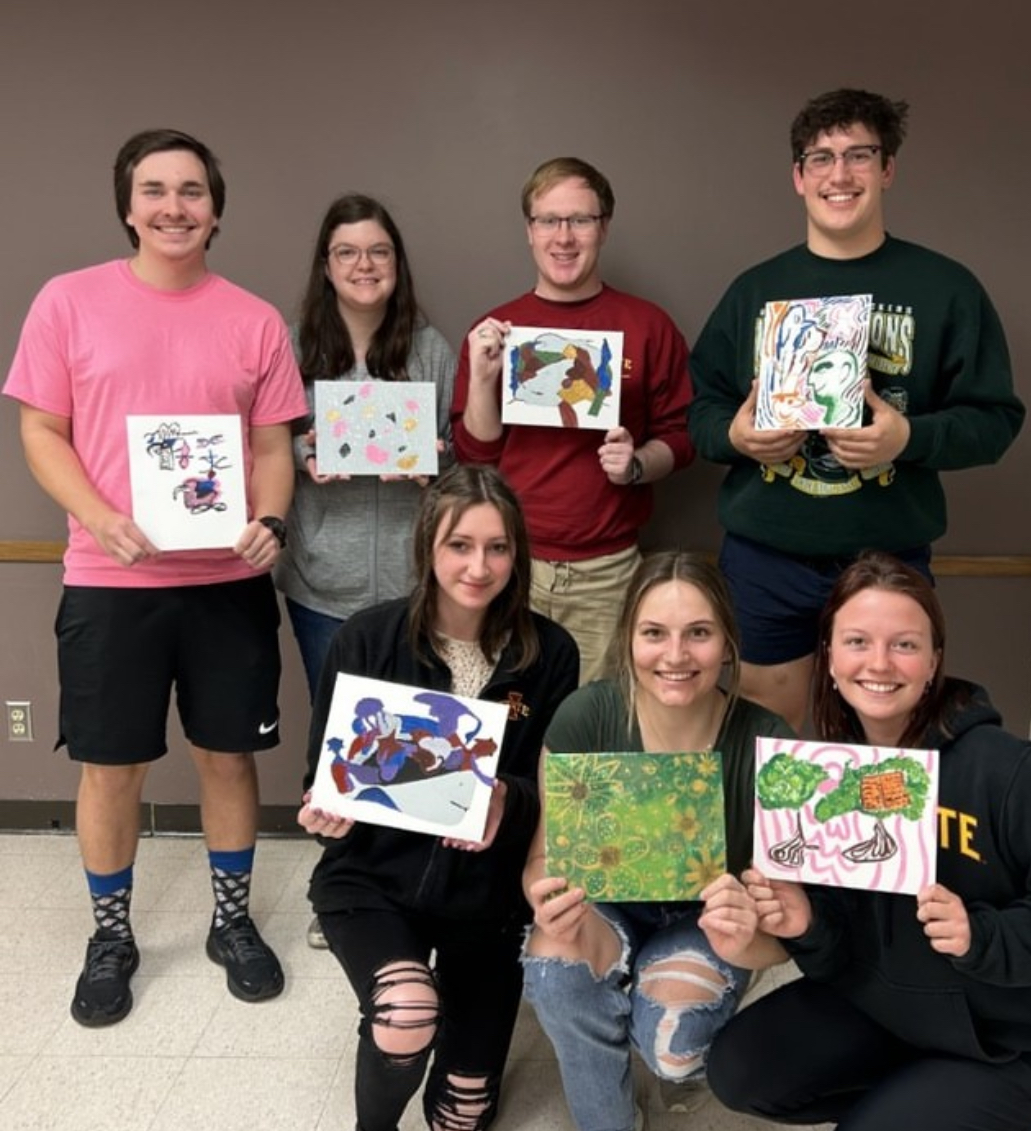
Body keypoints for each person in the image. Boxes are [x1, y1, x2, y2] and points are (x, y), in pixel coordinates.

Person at [2, 129, 307, 1026]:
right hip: (108, 581)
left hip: (227, 584)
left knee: (228, 755)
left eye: (191, 190)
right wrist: (98, 515)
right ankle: (112, 935)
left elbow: (270, 446)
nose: (174, 206)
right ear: (127, 205)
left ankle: (230, 922)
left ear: (216, 207)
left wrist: (272, 522)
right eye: (154, 189)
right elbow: (40, 432)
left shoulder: (253, 317)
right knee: (111, 768)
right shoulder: (67, 301)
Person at [707, 552, 1031, 1131]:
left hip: (1006, 1046)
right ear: (828, 659)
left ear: (934, 661)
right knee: (739, 1068)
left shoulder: (1007, 771)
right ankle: (914, 1102)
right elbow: (837, 958)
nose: (879, 663)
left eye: (904, 645)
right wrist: (806, 924)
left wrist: (980, 936)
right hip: (885, 1014)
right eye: (857, 641)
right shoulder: (826, 777)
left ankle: (935, 1109)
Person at [689, 89, 1026, 730]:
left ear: (887, 168)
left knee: (885, 745)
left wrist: (910, 438)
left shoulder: (946, 288)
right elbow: (699, 410)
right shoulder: (755, 290)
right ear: (798, 176)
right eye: (821, 158)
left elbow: (996, 421)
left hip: (889, 557)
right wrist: (734, 434)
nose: (839, 175)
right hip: (766, 557)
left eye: (858, 155)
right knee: (767, 742)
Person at [298, 464, 579, 1131]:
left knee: (459, 1124)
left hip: (487, 898)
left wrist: (505, 803)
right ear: (428, 545)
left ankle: (460, 1058)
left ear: (518, 554)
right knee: (404, 1011)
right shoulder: (367, 638)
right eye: (459, 544)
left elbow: (559, 795)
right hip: (374, 879)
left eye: (496, 547)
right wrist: (326, 815)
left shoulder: (551, 652)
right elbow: (323, 776)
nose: (478, 566)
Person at [522, 552, 791, 1131]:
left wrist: (745, 934)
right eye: (654, 634)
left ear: (727, 642)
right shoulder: (585, 716)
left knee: (670, 1044)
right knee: (555, 972)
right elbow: (544, 854)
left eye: (698, 633)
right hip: (606, 906)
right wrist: (545, 897)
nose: (674, 656)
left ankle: (670, 1042)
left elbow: (785, 938)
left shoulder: (768, 741)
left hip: (706, 921)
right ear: (628, 640)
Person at [451, 157, 694, 684]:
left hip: (606, 571)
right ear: (529, 231)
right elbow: (476, 456)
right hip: (507, 563)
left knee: (588, 731)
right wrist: (485, 378)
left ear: (603, 227)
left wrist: (635, 464)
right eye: (548, 220)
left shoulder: (648, 326)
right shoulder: (497, 331)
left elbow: (682, 435)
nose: (564, 237)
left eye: (580, 220)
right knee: (501, 716)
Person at [275, 192, 456, 699]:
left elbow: (460, 461)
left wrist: (433, 461)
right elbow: (259, 446)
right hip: (321, 584)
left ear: (397, 263)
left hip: (417, 585)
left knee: (414, 735)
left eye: (379, 251)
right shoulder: (291, 349)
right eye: (347, 252)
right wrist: (301, 453)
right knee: (337, 733)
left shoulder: (430, 350)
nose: (365, 265)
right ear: (326, 267)